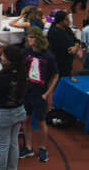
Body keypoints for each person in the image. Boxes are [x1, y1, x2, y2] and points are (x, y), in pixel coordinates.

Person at [0, 45, 29, 170]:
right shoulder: (23, 72)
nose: (1, 57)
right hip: (18, 111)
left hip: (2, 114)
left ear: (9, 59)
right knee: (13, 143)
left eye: (3, 55)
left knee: (1, 146)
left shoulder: (1, 77)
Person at [20, 28, 58, 163]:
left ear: (38, 39)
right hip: (26, 93)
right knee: (26, 120)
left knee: (41, 122)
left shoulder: (48, 56)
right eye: (27, 37)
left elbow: (55, 75)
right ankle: (28, 147)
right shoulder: (24, 53)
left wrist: (47, 94)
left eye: (31, 37)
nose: (28, 39)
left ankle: (43, 148)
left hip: (40, 95)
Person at [46, 10, 79, 78]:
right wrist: (72, 49)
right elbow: (61, 49)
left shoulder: (67, 28)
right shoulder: (53, 33)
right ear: (61, 21)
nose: (69, 21)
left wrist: (75, 47)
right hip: (60, 63)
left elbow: (76, 40)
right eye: (67, 20)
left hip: (68, 61)